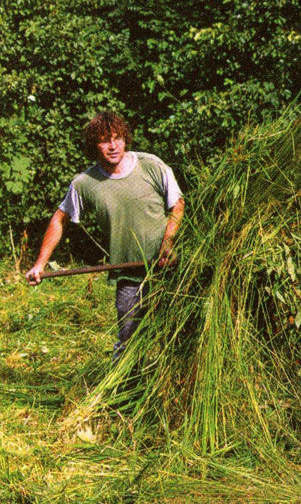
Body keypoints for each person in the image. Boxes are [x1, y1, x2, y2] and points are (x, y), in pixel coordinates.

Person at [26, 111, 184, 359]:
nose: (113, 146)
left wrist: (168, 246)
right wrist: (40, 264)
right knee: (128, 343)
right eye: (104, 140)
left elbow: (177, 204)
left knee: (177, 337)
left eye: (118, 138)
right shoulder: (85, 183)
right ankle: (124, 391)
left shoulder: (151, 165)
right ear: (94, 146)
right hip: (128, 273)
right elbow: (60, 218)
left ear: (125, 139)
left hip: (171, 267)